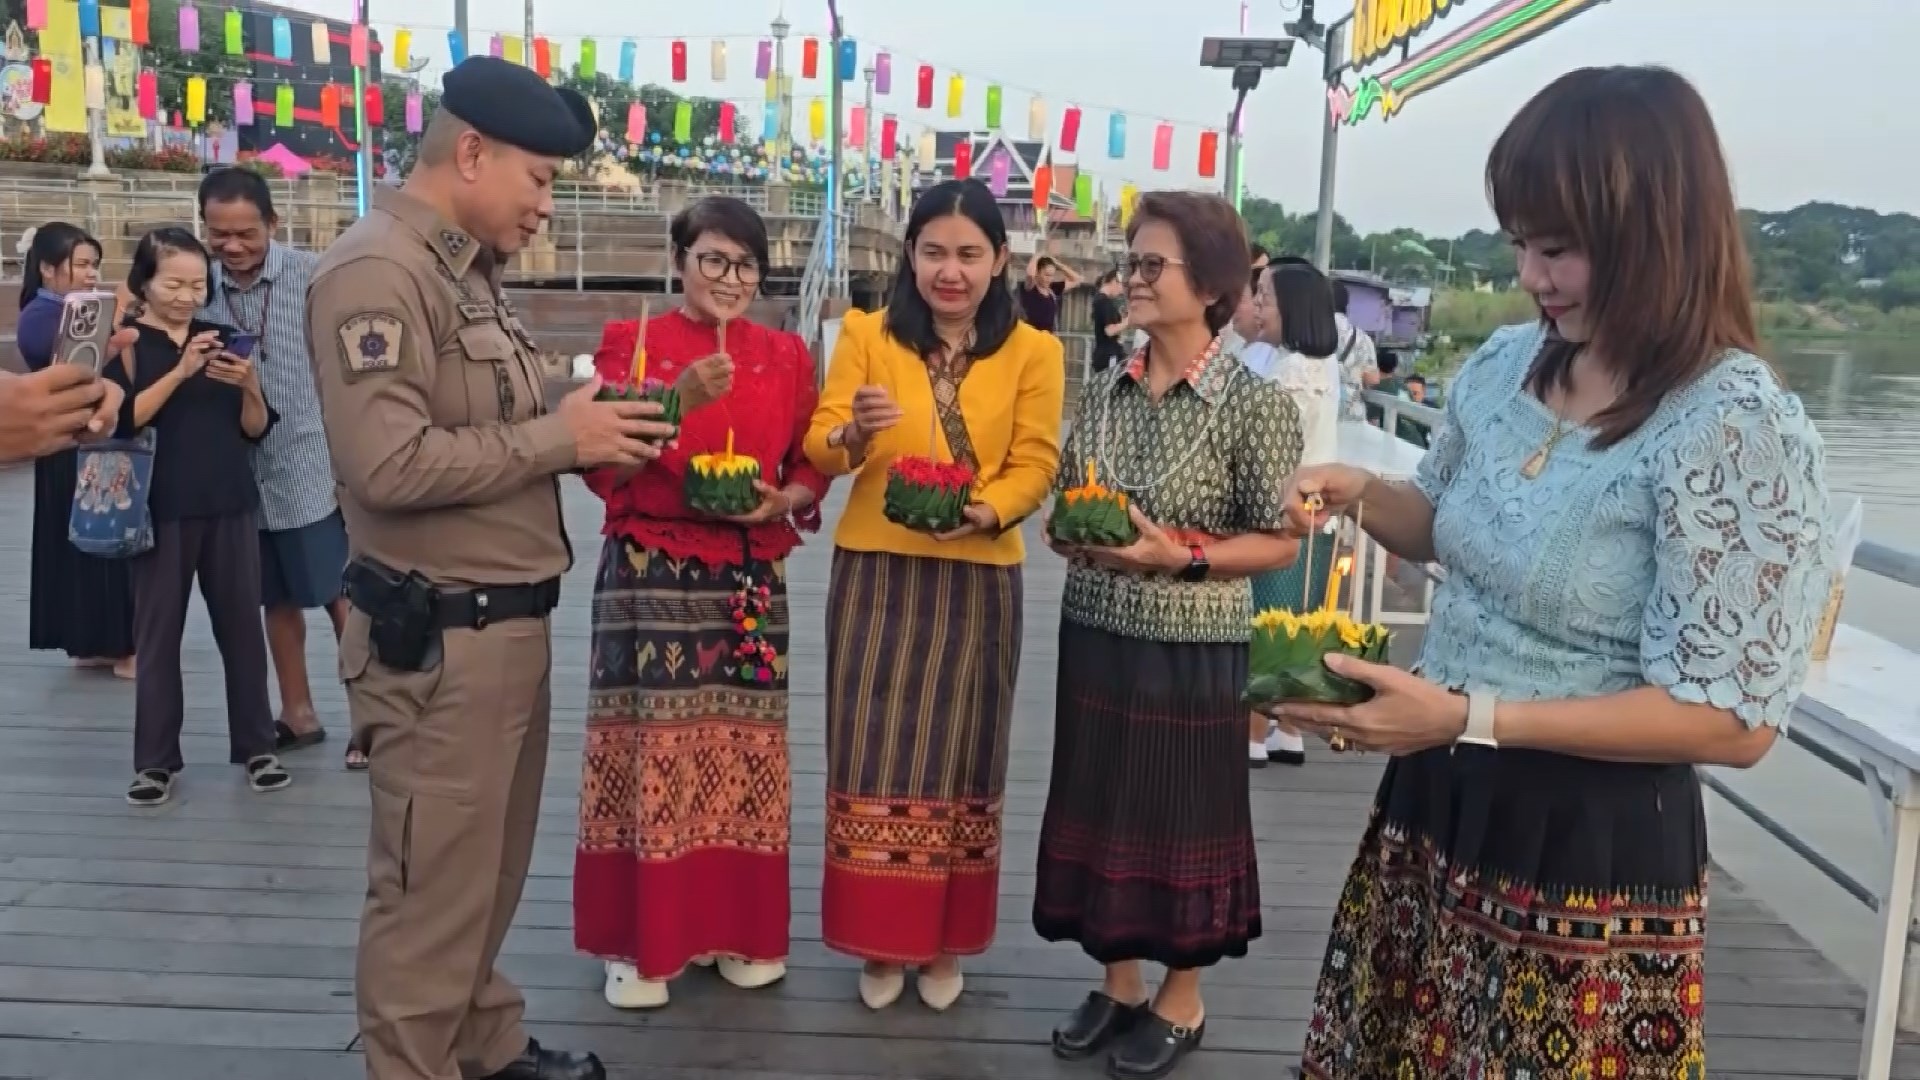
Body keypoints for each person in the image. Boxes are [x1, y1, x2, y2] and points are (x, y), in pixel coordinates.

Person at [1279, 66, 1833, 1079]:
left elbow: (1733, 720)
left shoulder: (1733, 424)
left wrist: (1470, 716)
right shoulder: (1504, 364)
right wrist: (1357, 485)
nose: (1534, 276)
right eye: (1522, 244)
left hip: (1590, 852)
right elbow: (1444, 526)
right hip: (1437, 798)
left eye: (1561, 247)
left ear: (1658, 230)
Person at [304, 56, 675, 1080]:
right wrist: (564, 440)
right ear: (471, 152)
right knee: (429, 895)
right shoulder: (377, 273)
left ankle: (482, 1044)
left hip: (500, 631)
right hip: (439, 646)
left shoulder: (462, 270)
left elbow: (485, 412)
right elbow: (385, 462)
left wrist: (583, 402)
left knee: (486, 875)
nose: (546, 205)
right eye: (540, 180)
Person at [1034, 191, 1302, 1080]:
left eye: (1152, 267)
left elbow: (1276, 537)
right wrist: (1070, 532)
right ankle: (1117, 981)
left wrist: (1179, 553)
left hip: (1194, 644)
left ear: (1213, 284)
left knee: (1185, 816)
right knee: (1098, 800)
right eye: (1131, 264)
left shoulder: (1253, 404)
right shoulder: (1107, 385)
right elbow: (1072, 497)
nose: (1131, 280)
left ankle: (1180, 997)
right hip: (1096, 628)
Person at [805, 178, 1064, 1012]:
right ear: (908, 254)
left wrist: (989, 510)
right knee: (872, 749)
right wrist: (852, 435)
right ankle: (882, 943)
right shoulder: (868, 336)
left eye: (968, 254)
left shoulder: (1035, 352)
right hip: (877, 569)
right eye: (932, 252)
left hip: (981, 572)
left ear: (999, 261)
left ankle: (945, 939)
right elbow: (821, 440)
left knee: (963, 756)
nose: (948, 272)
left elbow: (1036, 463)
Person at [573, 195, 833, 1010]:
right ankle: (640, 942)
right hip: (652, 569)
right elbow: (602, 455)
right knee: (651, 750)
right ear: (679, 258)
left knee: (745, 752)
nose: (730, 278)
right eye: (713, 259)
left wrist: (786, 497)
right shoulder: (631, 343)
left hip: (749, 575)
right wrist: (678, 392)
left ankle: (736, 928)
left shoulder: (788, 354)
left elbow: (808, 461)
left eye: (746, 265)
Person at [104, 228, 290, 807]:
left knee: (242, 632)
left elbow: (255, 429)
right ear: (144, 283)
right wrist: (181, 373)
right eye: (174, 283)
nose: (187, 296)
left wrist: (249, 383)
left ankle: (258, 747)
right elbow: (123, 421)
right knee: (157, 640)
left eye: (196, 285)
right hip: (160, 510)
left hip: (230, 504)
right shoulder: (129, 345)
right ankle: (156, 763)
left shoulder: (223, 338)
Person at [196, 167, 361, 768]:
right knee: (274, 597)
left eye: (246, 233)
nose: (233, 247)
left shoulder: (314, 276)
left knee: (339, 592)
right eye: (219, 235)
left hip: (309, 458)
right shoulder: (199, 285)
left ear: (273, 222)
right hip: (238, 466)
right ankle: (298, 713)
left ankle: (368, 723)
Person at [16, 222, 137, 677]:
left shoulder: (68, 310)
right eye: (82, 264)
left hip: (77, 439)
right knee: (102, 541)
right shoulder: (44, 316)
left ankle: (95, 639)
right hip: (73, 441)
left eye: (94, 264)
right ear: (48, 268)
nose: (91, 273)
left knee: (91, 542)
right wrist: (119, 321)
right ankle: (123, 645)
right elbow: (75, 368)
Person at [1241, 261, 1342, 769]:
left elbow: (1272, 455)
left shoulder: (1289, 372)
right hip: (1317, 513)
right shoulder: (1320, 366)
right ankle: (1290, 729)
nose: (1256, 305)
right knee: (1299, 620)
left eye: (1264, 297)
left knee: (1268, 621)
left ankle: (1255, 733)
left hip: (1286, 512)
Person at [1329, 279, 1378, 421]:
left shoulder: (1310, 331)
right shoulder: (1362, 337)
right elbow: (1372, 379)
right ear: (1346, 303)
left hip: (1321, 411)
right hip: (1352, 413)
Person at [1019, 251, 1081, 332]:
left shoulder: (1053, 289)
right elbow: (1030, 274)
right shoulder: (1030, 288)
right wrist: (1038, 256)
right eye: (1046, 275)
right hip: (1031, 337)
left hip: (1047, 338)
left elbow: (1077, 279)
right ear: (1037, 273)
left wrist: (1058, 264)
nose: (1049, 279)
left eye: (1052, 275)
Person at [1088, 270, 1128, 374]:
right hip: (1109, 355)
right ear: (1114, 281)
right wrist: (1128, 322)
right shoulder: (1103, 302)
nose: (1121, 291)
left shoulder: (1103, 301)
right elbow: (1109, 330)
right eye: (1121, 286)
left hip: (1110, 353)